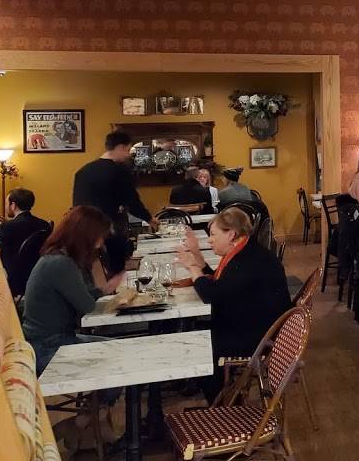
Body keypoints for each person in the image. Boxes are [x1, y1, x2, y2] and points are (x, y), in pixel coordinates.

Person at [177, 207, 291, 403]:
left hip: (260, 337)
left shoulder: (247, 261)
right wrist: (197, 256)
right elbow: (222, 284)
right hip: (257, 324)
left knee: (200, 348)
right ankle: (225, 398)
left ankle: (226, 406)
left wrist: (193, 268)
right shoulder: (246, 251)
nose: (210, 240)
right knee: (199, 336)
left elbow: (211, 294)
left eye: (213, 235)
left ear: (231, 234)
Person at [22, 206, 124, 374]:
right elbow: (87, 306)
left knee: (117, 347)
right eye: (100, 236)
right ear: (87, 234)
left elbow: (79, 295)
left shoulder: (55, 257)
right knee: (118, 354)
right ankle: (107, 391)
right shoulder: (62, 264)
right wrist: (105, 293)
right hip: (47, 347)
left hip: (42, 341)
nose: (101, 242)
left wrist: (103, 290)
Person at [73, 131, 156, 272]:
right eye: (127, 150)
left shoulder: (83, 171)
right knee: (116, 269)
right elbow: (132, 201)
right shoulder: (120, 170)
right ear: (120, 147)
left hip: (82, 229)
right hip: (108, 229)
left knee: (93, 270)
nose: (128, 155)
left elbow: (76, 203)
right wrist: (149, 218)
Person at [0, 189, 51, 291]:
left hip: (13, 278)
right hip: (37, 275)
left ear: (13, 205)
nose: (6, 207)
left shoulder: (7, 227)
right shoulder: (44, 225)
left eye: (6, 203)